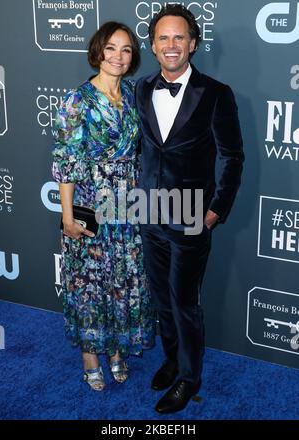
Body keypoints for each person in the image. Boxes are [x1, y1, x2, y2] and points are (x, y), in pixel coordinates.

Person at [135, 4, 244, 413]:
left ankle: (188, 377)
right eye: (163, 37)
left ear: (194, 43)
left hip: (191, 216)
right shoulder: (142, 88)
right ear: (152, 45)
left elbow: (232, 157)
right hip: (147, 211)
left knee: (183, 301)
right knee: (161, 298)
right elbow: (143, 149)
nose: (171, 45)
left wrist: (215, 210)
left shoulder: (216, 93)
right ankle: (171, 358)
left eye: (179, 37)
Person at [52, 22, 155, 391]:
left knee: (122, 279)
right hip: (90, 202)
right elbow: (65, 162)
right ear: (98, 52)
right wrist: (67, 217)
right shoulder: (77, 99)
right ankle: (90, 357)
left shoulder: (131, 94)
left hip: (126, 203)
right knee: (90, 282)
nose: (118, 56)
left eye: (126, 50)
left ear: (133, 57)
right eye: (111, 48)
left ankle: (116, 350)